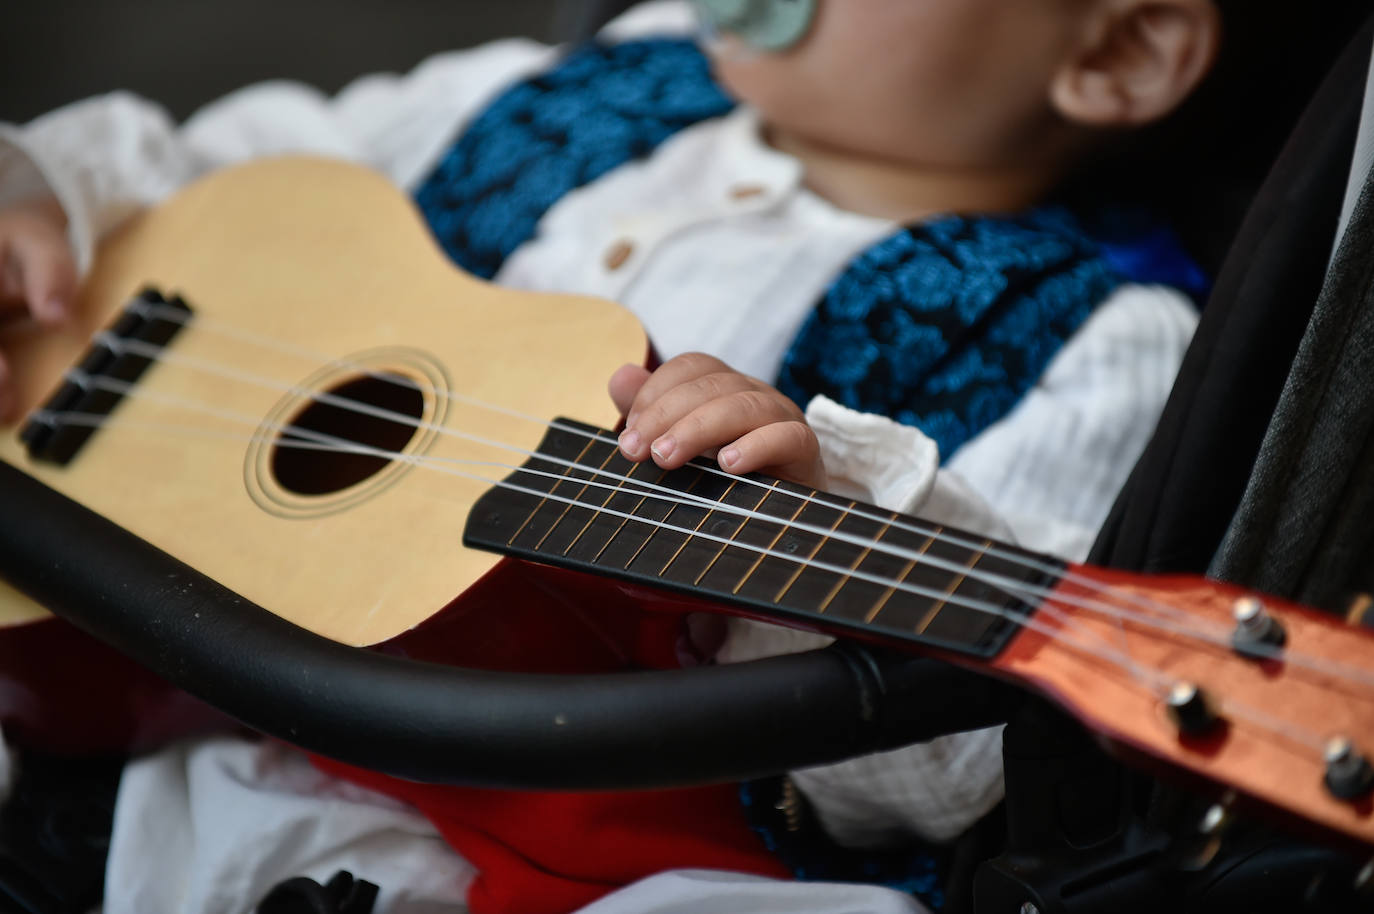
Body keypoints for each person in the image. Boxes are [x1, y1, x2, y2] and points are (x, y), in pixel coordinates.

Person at [0, 1, 1227, 911]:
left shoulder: (1099, 338)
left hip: (546, 831)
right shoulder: (617, 67)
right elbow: (251, 169)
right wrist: (40, 194)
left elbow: (957, 757)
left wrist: (812, 514)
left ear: (1117, 53)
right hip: (147, 663)